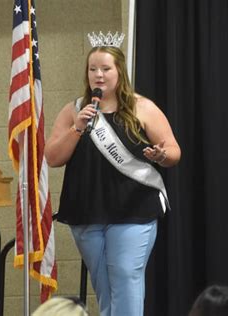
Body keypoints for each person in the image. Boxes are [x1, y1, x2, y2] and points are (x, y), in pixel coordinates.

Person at [45, 31, 181, 316]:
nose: (98, 75)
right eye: (93, 69)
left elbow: (173, 151)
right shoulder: (75, 110)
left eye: (105, 69)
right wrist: (77, 128)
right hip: (87, 210)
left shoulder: (141, 107)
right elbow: (53, 157)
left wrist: (161, 155)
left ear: (119, 71)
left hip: (133, 209)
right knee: (105, 286)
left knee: (126, 276)